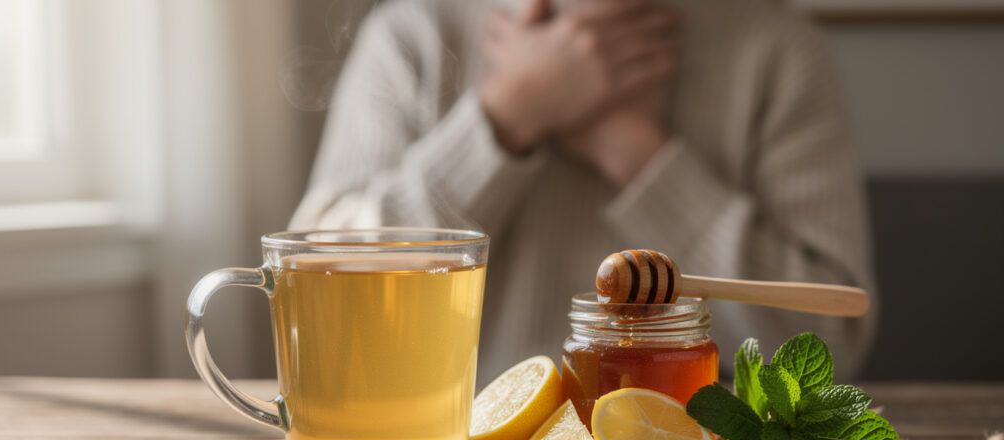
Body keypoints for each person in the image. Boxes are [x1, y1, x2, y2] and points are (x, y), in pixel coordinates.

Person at [289, 0, 878, 384]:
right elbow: (319, 298)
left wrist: (633, 151)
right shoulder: (412, 33)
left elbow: (826, 345)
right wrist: (507, 115)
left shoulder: (776, 52)